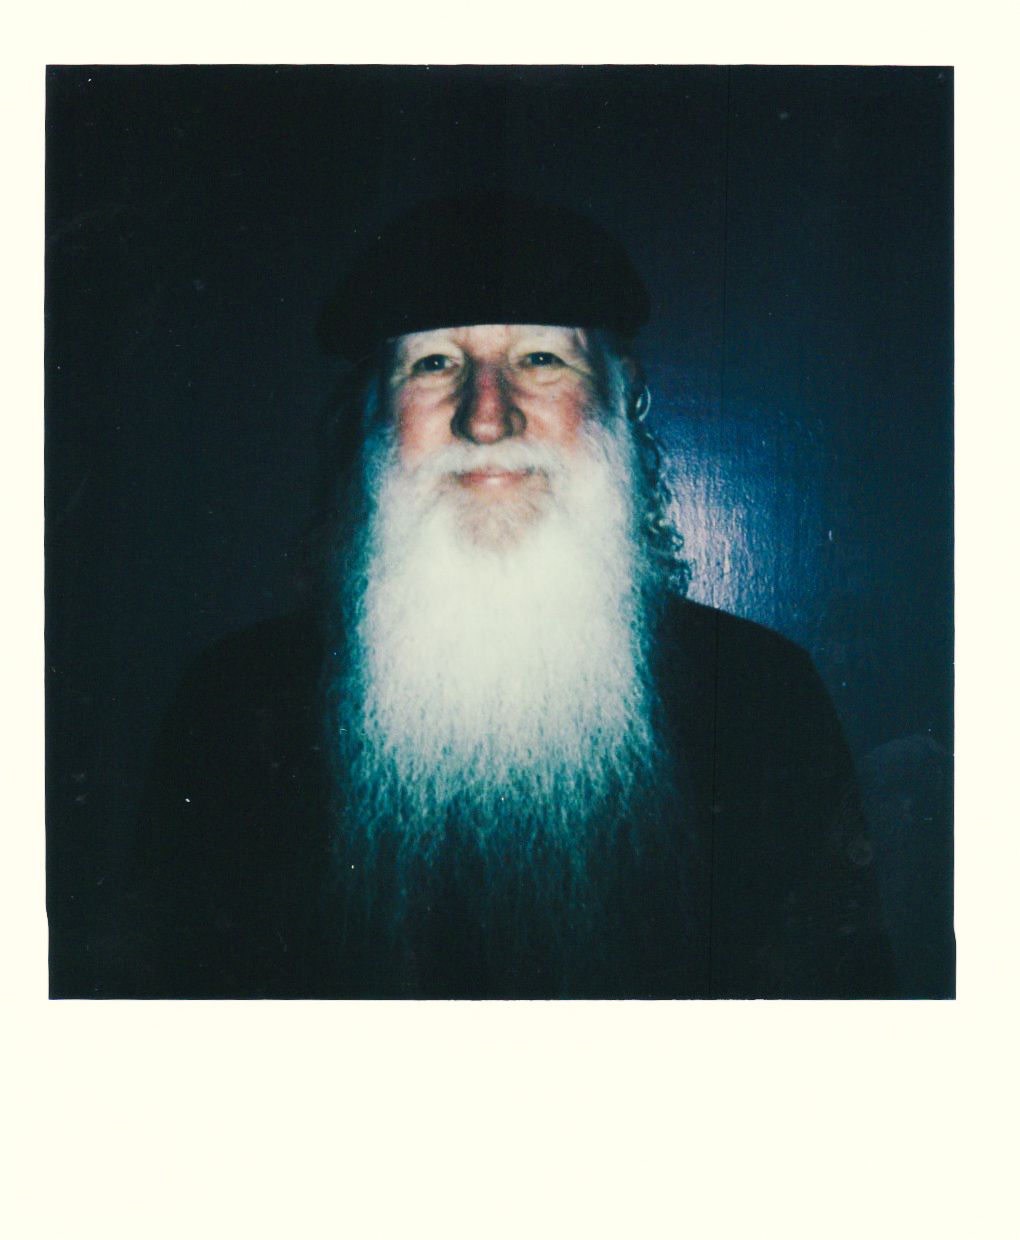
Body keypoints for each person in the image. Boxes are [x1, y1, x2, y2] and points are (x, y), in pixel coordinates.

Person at [127, 192, 892, 999]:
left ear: (620, 395)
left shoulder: (757, 695)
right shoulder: (233, 705)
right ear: (373, 415)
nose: (486, 419)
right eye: (434, 364)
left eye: (539, 360)